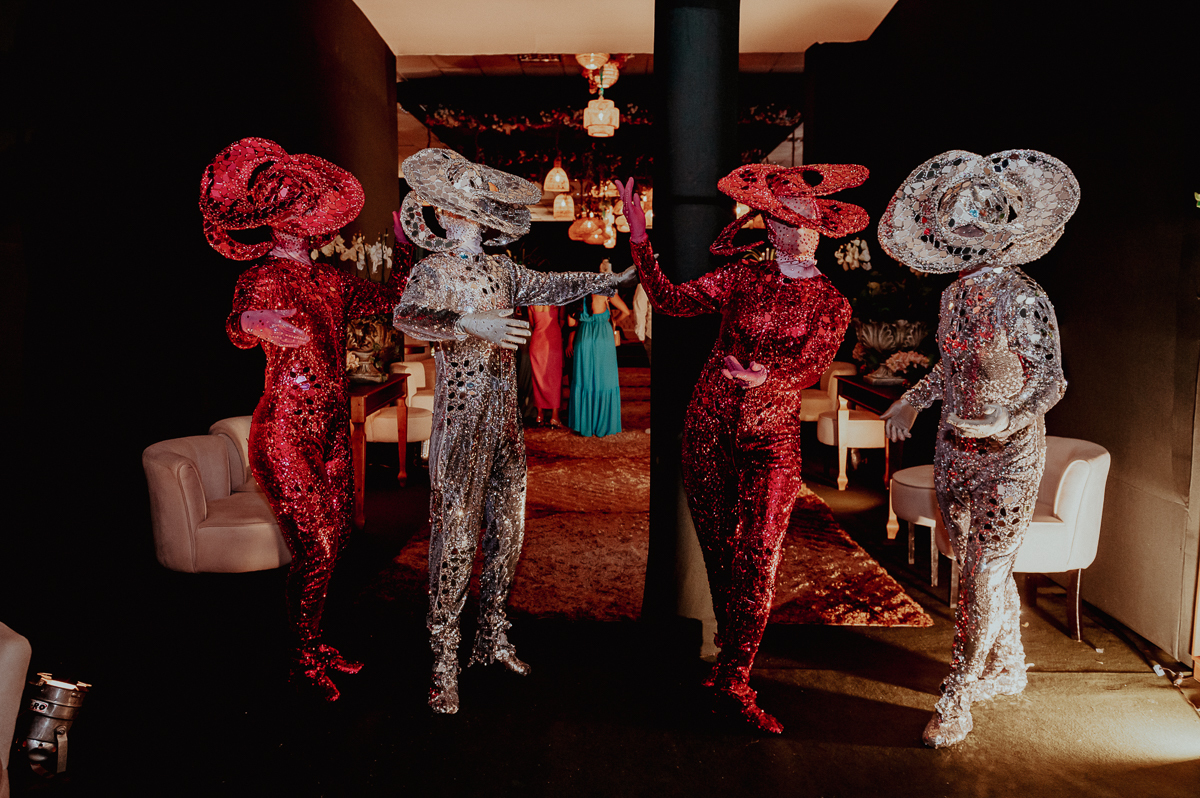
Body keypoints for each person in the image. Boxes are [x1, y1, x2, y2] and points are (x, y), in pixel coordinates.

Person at [616, 164, 869, 733]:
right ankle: (731, 664)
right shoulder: (743, 277)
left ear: (823, 226)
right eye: (787, 220)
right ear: (770, 227)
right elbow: (672, 301)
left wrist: (767, 380)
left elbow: (811, 367)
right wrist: (639, 235)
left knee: (758, 553)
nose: (801, 231)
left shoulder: (832, 301)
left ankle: (734, 680)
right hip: (708, 426)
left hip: (773, 434)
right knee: (722, 554)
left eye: (809, 220)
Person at [391, 148, 637, 714]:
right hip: (462, 416)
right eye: (457, 208)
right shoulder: (433, 271)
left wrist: (610, 276)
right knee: (455, 536)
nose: (466, 216)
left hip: (505, 418)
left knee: (509, 530)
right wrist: (467, 322)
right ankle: (443, 663)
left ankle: (491, 637)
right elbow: (408, 316)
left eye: (473, 207)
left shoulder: (502, 270)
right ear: (443, 215)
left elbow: (548, 285)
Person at [877, 149, 1078, 748]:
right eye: (957, 225)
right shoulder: (955, 296)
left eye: (976, 224)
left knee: (983, 575)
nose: (966, 235)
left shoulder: (1023, 295)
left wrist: (1006, 419)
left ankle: (959, 691)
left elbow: (1051, 379)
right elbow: (951, 366)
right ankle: (1009, 665)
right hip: (953, 449)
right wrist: (914, 398)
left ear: (1002, 229)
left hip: (1010, 455)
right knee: (973, 570)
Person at [201, 137, 414, 701]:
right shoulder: (264, 277)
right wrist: (251, 320)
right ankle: (299, 654)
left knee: (338, 538)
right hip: (284, 432)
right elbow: (236, 323)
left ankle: (315, 640)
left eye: (304, 209)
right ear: (270, 221)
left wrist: (404, 244)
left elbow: (395, 298)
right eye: (287, 211)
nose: (299, 222)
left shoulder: (333, 281)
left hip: (332, 432)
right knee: (317, 543)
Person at [566, 260, 631, 437]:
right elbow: (626, 311)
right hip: (603, 336)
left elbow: (571, 322)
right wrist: (614, 320)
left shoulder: (579, 294)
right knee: (605, 379)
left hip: (584, 337)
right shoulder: (605, 292)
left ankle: (584, 424)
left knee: (585, 379)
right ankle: (602, 424)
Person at [528, 303, 565, 426]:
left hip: (538, 341)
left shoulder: (531, 304)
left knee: (538, 378)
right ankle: (555, 416)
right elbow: (561, 321)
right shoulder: (558, 303)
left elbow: (532, 324)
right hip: (553, 341)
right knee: (555, 377)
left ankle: (540, 414)